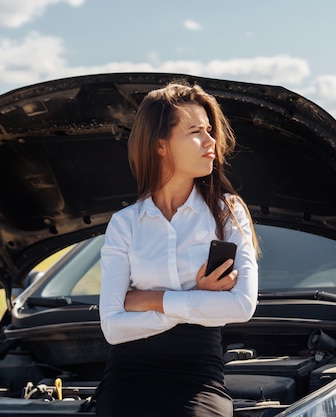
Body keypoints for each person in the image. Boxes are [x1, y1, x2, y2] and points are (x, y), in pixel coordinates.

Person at [95, 81, 260, 417]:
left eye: (210, 130)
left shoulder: (228, 212)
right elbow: (113, 327)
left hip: (198, 381)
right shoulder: (125, 224)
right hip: (128, 381)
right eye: (196, 131)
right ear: (160, 145)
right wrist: (197, 298)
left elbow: (242, 306)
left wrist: (153, 300)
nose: (211, 141)